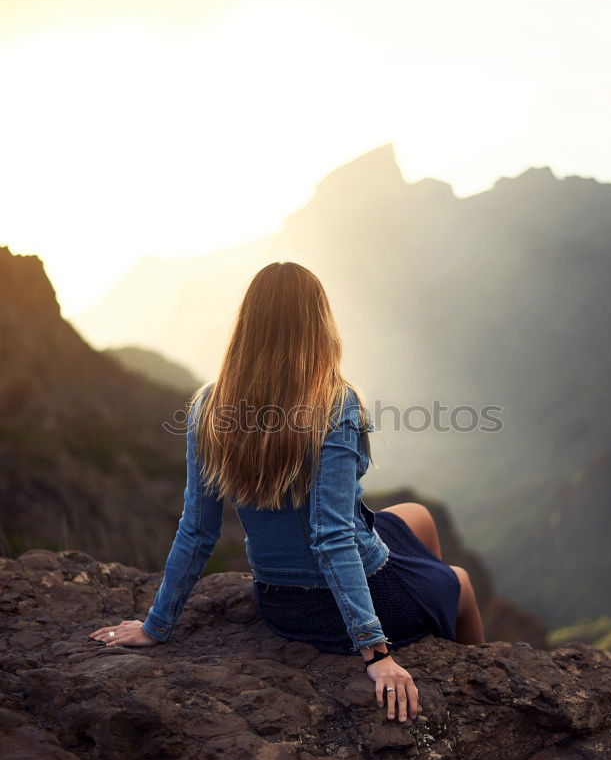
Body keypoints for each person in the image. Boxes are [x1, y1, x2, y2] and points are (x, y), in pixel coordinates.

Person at [90, 262, 485, 723]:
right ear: (319, 325)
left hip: (279, 601)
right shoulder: (334, 402)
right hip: (333, 606)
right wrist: (376, 655)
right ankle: (471, 691)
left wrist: (156, 627)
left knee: (418, 515)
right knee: (460, 582)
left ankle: (423, 614)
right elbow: (332, 536)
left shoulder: (208, 406)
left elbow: (197, 530)